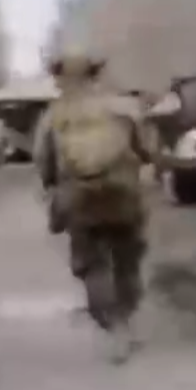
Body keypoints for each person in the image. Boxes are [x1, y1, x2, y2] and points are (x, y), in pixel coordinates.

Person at [35, 47, 156, 353]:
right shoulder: (125, 107)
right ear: (95, 74)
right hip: (123, 194)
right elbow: (147, 149)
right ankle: (125, 319)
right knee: (128, 261)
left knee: (93, 265)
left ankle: (115, 328)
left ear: (61, 78)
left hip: (80, 199)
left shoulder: (53, 115)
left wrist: (51, 185)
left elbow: (42, 159)